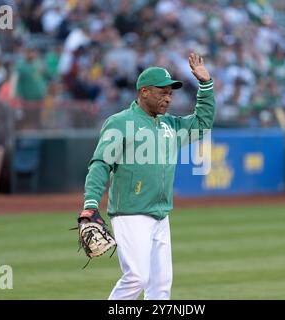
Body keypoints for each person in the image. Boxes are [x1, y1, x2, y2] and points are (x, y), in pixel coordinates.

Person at [77, 52, 215, 300]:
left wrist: (206, 85)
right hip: (131, 213)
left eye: (170, 93)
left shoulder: (169, 125)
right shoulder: (121, 122)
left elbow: (202, 124)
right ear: (143, 92)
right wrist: (90, 204)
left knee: (161, 288)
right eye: (162, 92)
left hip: (161, 215)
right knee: (137, 278)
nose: (168, 98)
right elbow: (100, 163)